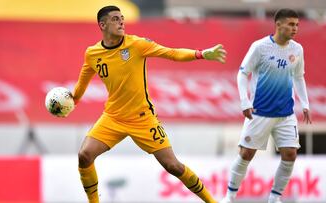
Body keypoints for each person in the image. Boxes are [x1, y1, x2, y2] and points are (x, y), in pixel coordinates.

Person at [72, 5, 226, 203]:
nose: (121, 22)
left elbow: (171, 53)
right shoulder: (92, 54)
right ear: (102, 25)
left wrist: (201, 54)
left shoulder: (136, 44)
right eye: (116, 19)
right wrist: (73, 100)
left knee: (173, 166)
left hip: (143, 119)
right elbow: (82, 81)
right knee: (84, 155)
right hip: (113, 117)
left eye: (122, 18)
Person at [220, 8, 312, 203]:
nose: (295, 28)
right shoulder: (260, 47)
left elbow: (298, 76)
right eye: (291, 24)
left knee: (290, 154)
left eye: (297, 25)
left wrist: (305, 103)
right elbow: (242, 74)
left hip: (286, 113)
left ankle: (274, 198)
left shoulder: (297, 49)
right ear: (278, 25)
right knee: (246, 153)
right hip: (259, 112)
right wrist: (245, 101)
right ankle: (229, 196)